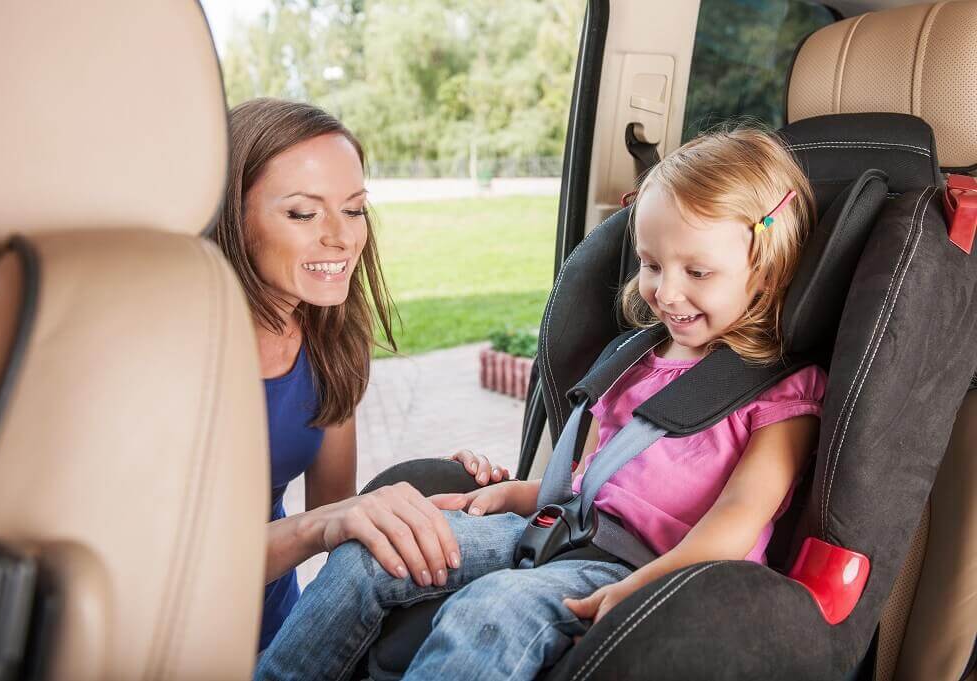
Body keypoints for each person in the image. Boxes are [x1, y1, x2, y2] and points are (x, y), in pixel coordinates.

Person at [254, 126, 827, 680]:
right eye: (651, 265)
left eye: (697, 271)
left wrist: (641, 588)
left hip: (648, 569)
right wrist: (513, 495)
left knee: (491, 609)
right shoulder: (636, 361)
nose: (665, 292)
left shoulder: (778, 397)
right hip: (565, 529)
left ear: (766, 266)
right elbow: (592, 485)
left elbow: (736, 521)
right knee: (368, 556)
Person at [213, 98, 511, 652]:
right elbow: (170, 567)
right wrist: (325, 523)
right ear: (231, 216)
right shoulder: (171, 356)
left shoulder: (329, 342)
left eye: (353, 209)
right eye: (304, 213)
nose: (343, 237)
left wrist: (431, 489)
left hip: (272, 630)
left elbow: (334, 516)